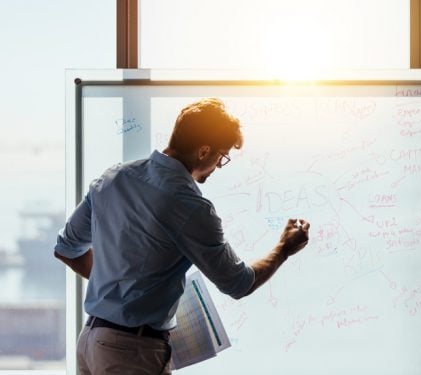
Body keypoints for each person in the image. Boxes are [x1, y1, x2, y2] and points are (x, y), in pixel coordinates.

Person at [53, 98, 310, 374]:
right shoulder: (189, 205)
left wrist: (123, 286)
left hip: (91, 341)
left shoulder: (113, 178)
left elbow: (66, 249)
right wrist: (284, 248)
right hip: (131, 352)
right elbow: (239, 283)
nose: (218, 166)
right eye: (221, 157)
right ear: (204, 151)